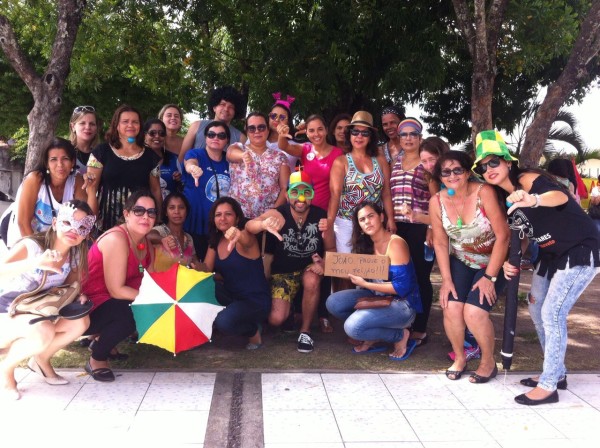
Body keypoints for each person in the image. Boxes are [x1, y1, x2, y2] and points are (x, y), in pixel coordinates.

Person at [474, 129, 600, 405]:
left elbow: (559, 197)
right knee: (536, 308)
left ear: (508, 162)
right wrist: (510, 260)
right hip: (549, 255)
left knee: (552, 313)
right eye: (482, 167)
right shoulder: (503, 197)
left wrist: (534, 199)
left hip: (579, 249)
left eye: (493, 161)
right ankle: (557, 373)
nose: (489, 169)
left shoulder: (527, 179)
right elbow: (521, 235)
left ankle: (549, 384)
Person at [0, 200, 95, 400]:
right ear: (54, 222)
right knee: (44, 331)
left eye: (82, 227)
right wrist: (36, 262)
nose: (74, 230)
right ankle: (6, 369)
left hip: (37, 313)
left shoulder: (75, 255)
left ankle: (41, 360)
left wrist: (78, 295)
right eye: (68, 222)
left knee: (80, 322)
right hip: (7, 312)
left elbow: (67, 289)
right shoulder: (32, 246)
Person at [429, 151, 509, 383]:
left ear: (467, 172)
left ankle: (488, 362)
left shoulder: (484, 192)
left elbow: (503, 236)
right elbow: (441, 242)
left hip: (493, 261)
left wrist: (489, 277)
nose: (452, 175)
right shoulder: (436, 201)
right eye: (446, 172)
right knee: (451, 307)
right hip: (462, 260)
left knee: (474, 313)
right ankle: (460, 357)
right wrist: (446, 280)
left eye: (457, 170)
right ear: (440, 176)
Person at [246, 170, 335, 353]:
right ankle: (292, 311)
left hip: (309, 269)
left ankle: (305, 331)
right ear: (287, 195)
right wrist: (263, 224)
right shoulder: (279, 213)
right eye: (295, 192)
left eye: (306, 192)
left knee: (312, 279)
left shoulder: (321, 217)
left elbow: (331, 249)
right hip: (283, 273)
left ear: (312, 194)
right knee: (275, 320)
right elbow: (249, 226)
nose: (300, 198)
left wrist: (323, 264)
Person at [326, 202, 422, 360]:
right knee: (333, 302)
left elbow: (402, 287)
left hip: (402, 304)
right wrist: (324, 266)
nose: (367, 222)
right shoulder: (366, 243)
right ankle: (372, 331)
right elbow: (353, 273)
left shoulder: (395, 243)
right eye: (362, 219)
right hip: (376, 297)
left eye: (371, 216)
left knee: (353, 327)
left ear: (382, 217)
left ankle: (400, 335)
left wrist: (365, 284)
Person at [81, 190, 157, 382]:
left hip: (110, 303)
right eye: (139, 211)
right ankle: (97, 358)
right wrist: (154, 300)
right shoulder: (117, 239)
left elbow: (148, 281)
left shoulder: (146, 243)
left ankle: (104, 342)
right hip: (87, 306)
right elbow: (117, 290)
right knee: (132, 312)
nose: (146, 216)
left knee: (148, 307)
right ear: (126, 214)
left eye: (151, 212)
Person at [328, 111, 395, 290]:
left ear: (371, 136)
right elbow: (335, 195)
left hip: (374, 222)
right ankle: (346, 304)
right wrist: (329, 223)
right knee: (346, 271)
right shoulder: (341, 162)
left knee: (375, 269)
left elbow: (386, 193)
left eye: (364, 132)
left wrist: (391, 218)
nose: (359, 136)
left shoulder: (380, 160)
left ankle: (372, 303)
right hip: (346, 222)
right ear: (349, 135)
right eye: (355, 132)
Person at [203, 197, 271, 350]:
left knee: (223, 322)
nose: (222, 218)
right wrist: (189, 264)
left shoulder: (246, 237)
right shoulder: (215, 241)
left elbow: (245, 239)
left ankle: (253, 331)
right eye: (218, 214)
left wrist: (238, 234)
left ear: (237, 218)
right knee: (203, 285)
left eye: (228, 214)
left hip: (255, 301)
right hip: (232, 297)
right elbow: (206, 270)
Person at [390, 117, 433, 348]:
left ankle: (421, 328)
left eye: (413, 134)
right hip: (397, 227)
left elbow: (436, 198)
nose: (408, 138)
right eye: (404, 134)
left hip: (420, 227)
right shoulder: (395, 162)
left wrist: (432, 228)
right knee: (400, 276)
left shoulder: (426, 164)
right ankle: (403, 323)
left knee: (421, 277)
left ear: (420, 137)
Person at [85, 104, 162, 232]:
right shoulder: (100, 152)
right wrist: (90, 222)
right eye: (125, 121)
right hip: (106, 225)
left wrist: (158, 219)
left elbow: (156, 190)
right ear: (117, 125)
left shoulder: (151, 156)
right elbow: (91, 189)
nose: (130, 125)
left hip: (140, 225)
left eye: (135, 122)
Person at [6, 137, 95, 248]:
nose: (60, 164)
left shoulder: (77, 180)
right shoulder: (35, 179)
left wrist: (92, 189)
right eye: (53, 159)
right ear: (46, 163)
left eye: (65, 158)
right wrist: (40, 252)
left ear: (72, 162)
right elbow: (23, 223)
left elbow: (86, 221)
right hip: (25, 238)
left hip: (55, 243)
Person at [227, 112, 290, 219]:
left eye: (261, 127)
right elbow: (230, 154)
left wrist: (274, 211)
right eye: (252, 128)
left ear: (268, 130)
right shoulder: (239, 148)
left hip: (267, 218)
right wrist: (243, 155)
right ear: (247, 131)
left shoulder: (280, 157)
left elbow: (284, 188)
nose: (257, 131)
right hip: (238, 217)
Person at [182, 120, 231, 259]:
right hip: (195, 221)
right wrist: (193, 168)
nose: (216, 138)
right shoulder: (196, 154)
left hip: (219, 224)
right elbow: (189, 163)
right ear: (205, 138)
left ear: (227, 140)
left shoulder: (229, 162)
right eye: (211, 134)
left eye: (221, 135)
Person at [276, 114, 344, 212]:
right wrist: (282, 135)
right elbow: (284, 146)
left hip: (325, 211)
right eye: (311, 130)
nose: (316, 134)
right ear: (306, 133)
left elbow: (336, 192)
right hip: (303, 209)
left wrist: (330, 217)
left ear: (326, 130)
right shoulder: (305, 149)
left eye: (320, 129)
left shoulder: (338, 153)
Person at [180, 86, 246, 160]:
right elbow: (182, 157)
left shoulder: (241, 138)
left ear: (235, 112)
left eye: (231, 107)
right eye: (222, 104)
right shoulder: (196, 126)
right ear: (214, 107)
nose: (226, 109)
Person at [148, 192, 199, 271]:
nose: (177, 211)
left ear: (186, 212)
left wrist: (200, 266)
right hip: (159, 279)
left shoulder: (189, 238)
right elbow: (148, 236)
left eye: (181, 207)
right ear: (166, 212)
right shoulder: (160, 231)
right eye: (172, 208)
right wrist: (162, 240)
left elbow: (196, 263)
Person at [143, 118, 182, 198]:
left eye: (161, 133)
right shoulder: (137, 158)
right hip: (145, 205)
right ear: (145, 136)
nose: (157, 136)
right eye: (152, 133)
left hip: (169, 204)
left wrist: (180, 179)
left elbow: (183, 185)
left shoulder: (173, 159)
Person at [267, 93, 299, 171]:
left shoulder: (295, 145)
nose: (277, 120)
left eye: (282, 117)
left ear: (288, 122)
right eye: (273, 116)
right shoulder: (257, 139)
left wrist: (309, 129)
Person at [68, 105, 100, 174]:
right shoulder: (65, 151)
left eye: (92, 124)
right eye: (82, 123)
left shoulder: (101, 153)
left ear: (96, 128)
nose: (88, 127)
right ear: (73, 127)